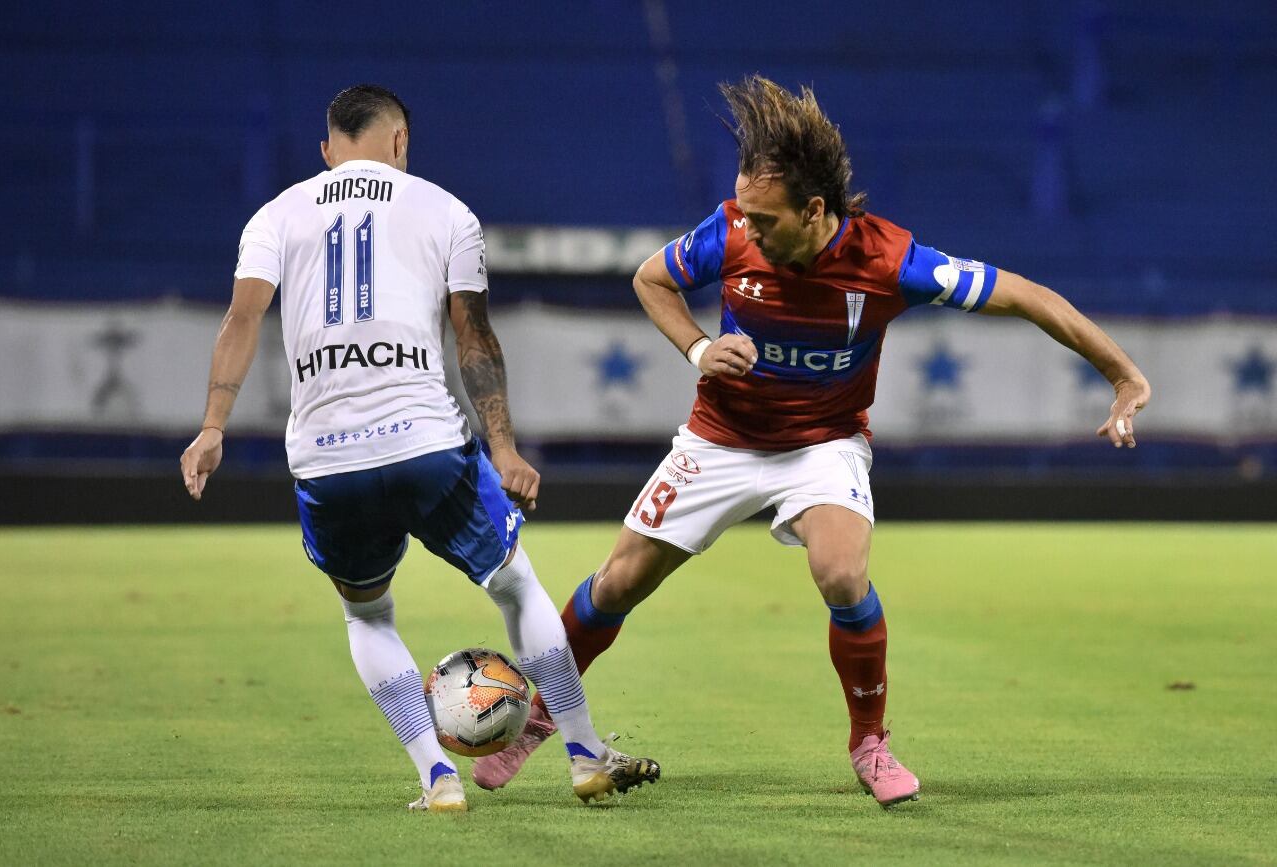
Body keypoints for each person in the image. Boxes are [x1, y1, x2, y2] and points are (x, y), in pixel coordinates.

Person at [473, 75, 1151, 806]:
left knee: (840, 573)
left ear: (816, 210)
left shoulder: (892, 261)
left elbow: (1027, 295)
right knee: (616, 583)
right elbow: (651, 280)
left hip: (823, 444)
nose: (749, 228)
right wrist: (701, 350)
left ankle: (869, 741)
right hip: (720, 437)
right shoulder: (730, 231)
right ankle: (540, 714)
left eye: (766, 218)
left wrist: (1123, 376)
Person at [179, 84, 659, 813]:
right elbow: (474, 338)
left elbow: (243, 317)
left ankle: (436, 776)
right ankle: (585, 752)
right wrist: (503, 444)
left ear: (326, 150)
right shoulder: (445, 210)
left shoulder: (274, 215)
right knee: (516, 584)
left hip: (326, 457)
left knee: (367, 615)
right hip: (427, 442)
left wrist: (213, 424)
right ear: (400, 142)